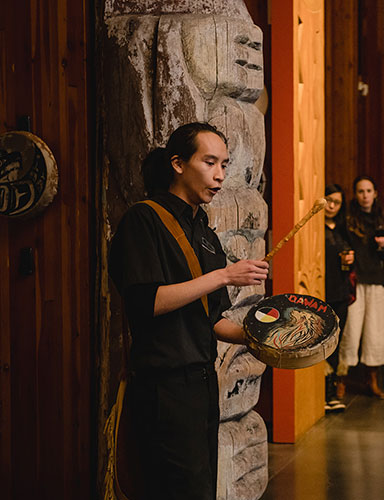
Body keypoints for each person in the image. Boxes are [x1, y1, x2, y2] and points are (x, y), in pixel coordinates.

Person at [109, 123, 269, 500]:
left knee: (200, 489)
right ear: (178, 164)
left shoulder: (204, 232)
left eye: (225, 165)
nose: (219, 175)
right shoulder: (143, 219)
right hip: (162, 385)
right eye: (209, 162)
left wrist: (267, 338)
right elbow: (148, 302)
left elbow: (213, 321)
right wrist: (224, 275)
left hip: (201, 383)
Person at [338, 175, 384, 399]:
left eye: (369, 191)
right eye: (360, 191)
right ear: (355, 194)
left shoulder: (380, 219)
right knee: (351, 331)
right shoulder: (348, 220)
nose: (365, 195)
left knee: (376, 332)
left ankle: (372, 380)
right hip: (355, 281)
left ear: (375, 193)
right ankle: (341, 379)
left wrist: (383, 246)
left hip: (376, 280)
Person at [323, 184, 354, 411]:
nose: (332, 206)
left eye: (337, 203)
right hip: (321, 289)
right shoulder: (315, 226)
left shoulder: (342, 228)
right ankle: (321, 392)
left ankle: (332, 392)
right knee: (320, 341)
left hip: (341, 291)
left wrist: (352, 258)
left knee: (335, 341)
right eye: (329, 200)